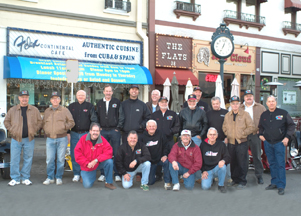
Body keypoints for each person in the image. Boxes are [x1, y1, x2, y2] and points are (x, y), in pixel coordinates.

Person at [4, 90, 42, 186]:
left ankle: (25, 177)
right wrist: (12, 130)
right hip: (16, 139)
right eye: (22, 97)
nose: (24, 99)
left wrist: (34, 130)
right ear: (19, 98)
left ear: (28, 98)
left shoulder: (34, 110)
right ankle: (15, 178)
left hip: (29, 139)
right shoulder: (13, 110)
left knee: (28, 158)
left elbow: (40, 122)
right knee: (14, 159)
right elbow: (6, 122)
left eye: (26, 97)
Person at [258, 95, 295, 195]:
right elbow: (260, 127)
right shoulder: (264, 115)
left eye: (273, 101)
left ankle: (281, 185)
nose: (271, 103)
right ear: (266, 103)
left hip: (280, 143)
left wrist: (287, 137)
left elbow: (292, 125)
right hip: (268, 143)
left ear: (275, 102)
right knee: (272, 164)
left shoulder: (283, 113)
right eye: (269, 101)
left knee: (280, 164)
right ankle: (274, 182)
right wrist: (261, 135)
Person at [42, 91, 75, 185]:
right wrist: (46, 129)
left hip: (62, 138)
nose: (55, 100)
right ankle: (50, 177)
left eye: (57, 98)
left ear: (60, 100)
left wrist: (64, 127)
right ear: (50, 100)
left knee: (60, 159)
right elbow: (44, 123)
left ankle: (59, 177)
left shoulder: (65, 110)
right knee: (49, 159)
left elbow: (72, 122)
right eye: (53, 98)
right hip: (50, 138)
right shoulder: (47, 111)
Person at [222, 96, 255, 189]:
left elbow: (251, 127)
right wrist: (228, 134)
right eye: (233, 103)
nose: (235, 105)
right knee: (233, 162)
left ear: (240, 104)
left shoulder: (245, 114)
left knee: (242, 162)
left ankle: (242, 181)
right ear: (230, 104)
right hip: (231, 142)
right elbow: (224, 127)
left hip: (241, 142)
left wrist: (242, 134)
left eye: (237, 103)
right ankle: (234, 179)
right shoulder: (227, 115)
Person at [74, 123, 116, 190]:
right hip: (87, 166)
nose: (95, 133)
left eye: (97, 131)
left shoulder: (103, 140)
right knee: (87, 185)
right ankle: (85, 175)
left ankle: (108, 182)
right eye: (94, 131)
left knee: (109, 162)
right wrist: (87, 163)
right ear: (90, 131)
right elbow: (77, 154)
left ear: (99, 132)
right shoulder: (83, 139)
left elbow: (109, 152)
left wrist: (96, 160)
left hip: (97, 163)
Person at [68, 90, 98, 182]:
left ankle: (84, 172)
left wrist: (91, 132)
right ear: (76, 96)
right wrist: (67, 132)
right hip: (74, 133)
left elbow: (94, 119)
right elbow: (67, 120)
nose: (81, 96)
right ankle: (76, 173)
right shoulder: (71, 106)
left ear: (85, 96)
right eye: (79, 95)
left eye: (82, 95)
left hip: (86, 134)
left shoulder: (90, 106)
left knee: (87, 154)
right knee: (74, 154)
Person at [96, 84, 121, 182]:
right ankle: (103, 173)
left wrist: (118, 127)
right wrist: (98, 128)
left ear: (112, 92)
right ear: (103, 92)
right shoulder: (99, 103)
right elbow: (96, 116)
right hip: (103, 131)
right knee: (102, 152)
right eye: (106, 91)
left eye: (110, 91)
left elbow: (121, 115)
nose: (108, 93)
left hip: (114, 131)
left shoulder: (117, 102)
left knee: (116, 153)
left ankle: (117, 173)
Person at [151, 96, 180, 181]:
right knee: (159, 156)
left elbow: (177, 127)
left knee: (170, 157)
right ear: (159, 103)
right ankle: (158, 174)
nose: (164, 103)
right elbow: (150, 126)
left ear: (167, 103)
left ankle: (170, 175)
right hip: (157, 140)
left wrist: (170, 131)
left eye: (165, 102)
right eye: (162, 102)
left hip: (169, 140)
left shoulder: (173, 114)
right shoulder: (154, 115)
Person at [240, 90, 266, 184]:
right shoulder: (239, 107)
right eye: (247, 96)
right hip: (243, 135)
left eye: (250, 95)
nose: (249, 97)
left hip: (255, 135)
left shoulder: (260, 107)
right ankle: (243, 176)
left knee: (257, 156)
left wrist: (262, 131)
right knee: (243, 156)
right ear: (244, 98)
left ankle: (259, 176)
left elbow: (265, 120)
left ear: (253, 97)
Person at [140, 120, 171, 190]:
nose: (151, 128)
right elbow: (140, 150)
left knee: (166, 162)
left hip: (160, 159)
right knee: (150, 182)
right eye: (150, 126)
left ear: (156, 127)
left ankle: (167, 181)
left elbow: (166, 145)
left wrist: (165, 155)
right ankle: (156, 175)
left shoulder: (161, 134)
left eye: (153, 126)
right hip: (150, 162)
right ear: (147, 127)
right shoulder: (142, 136)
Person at [206, 96, 230, 182]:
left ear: (220, 103)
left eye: (217, 103)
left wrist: (227, 136)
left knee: (225, 158)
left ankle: (228, 177)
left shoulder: (226, 112)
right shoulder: (208, 114)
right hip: (212, 140)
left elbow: (229, 126)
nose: (215, 105)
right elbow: (206, 126)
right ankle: (214, 176)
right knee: (214, 157)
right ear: (211, 104)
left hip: (224, 139)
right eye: (213, 104)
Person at [200, 127, 230, 193]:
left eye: (214, 134)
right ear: (207, 135)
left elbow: (227, 156)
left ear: (217, 135)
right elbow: (200, 160)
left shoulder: (221, 144)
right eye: (210, 134)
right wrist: (203, 171)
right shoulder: (203, 145)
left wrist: (223, 160)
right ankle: (211, 179)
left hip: (217, 168)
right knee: (205, 187)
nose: (212, 136)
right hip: (207, 170)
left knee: (223, 166)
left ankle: (221, 185)